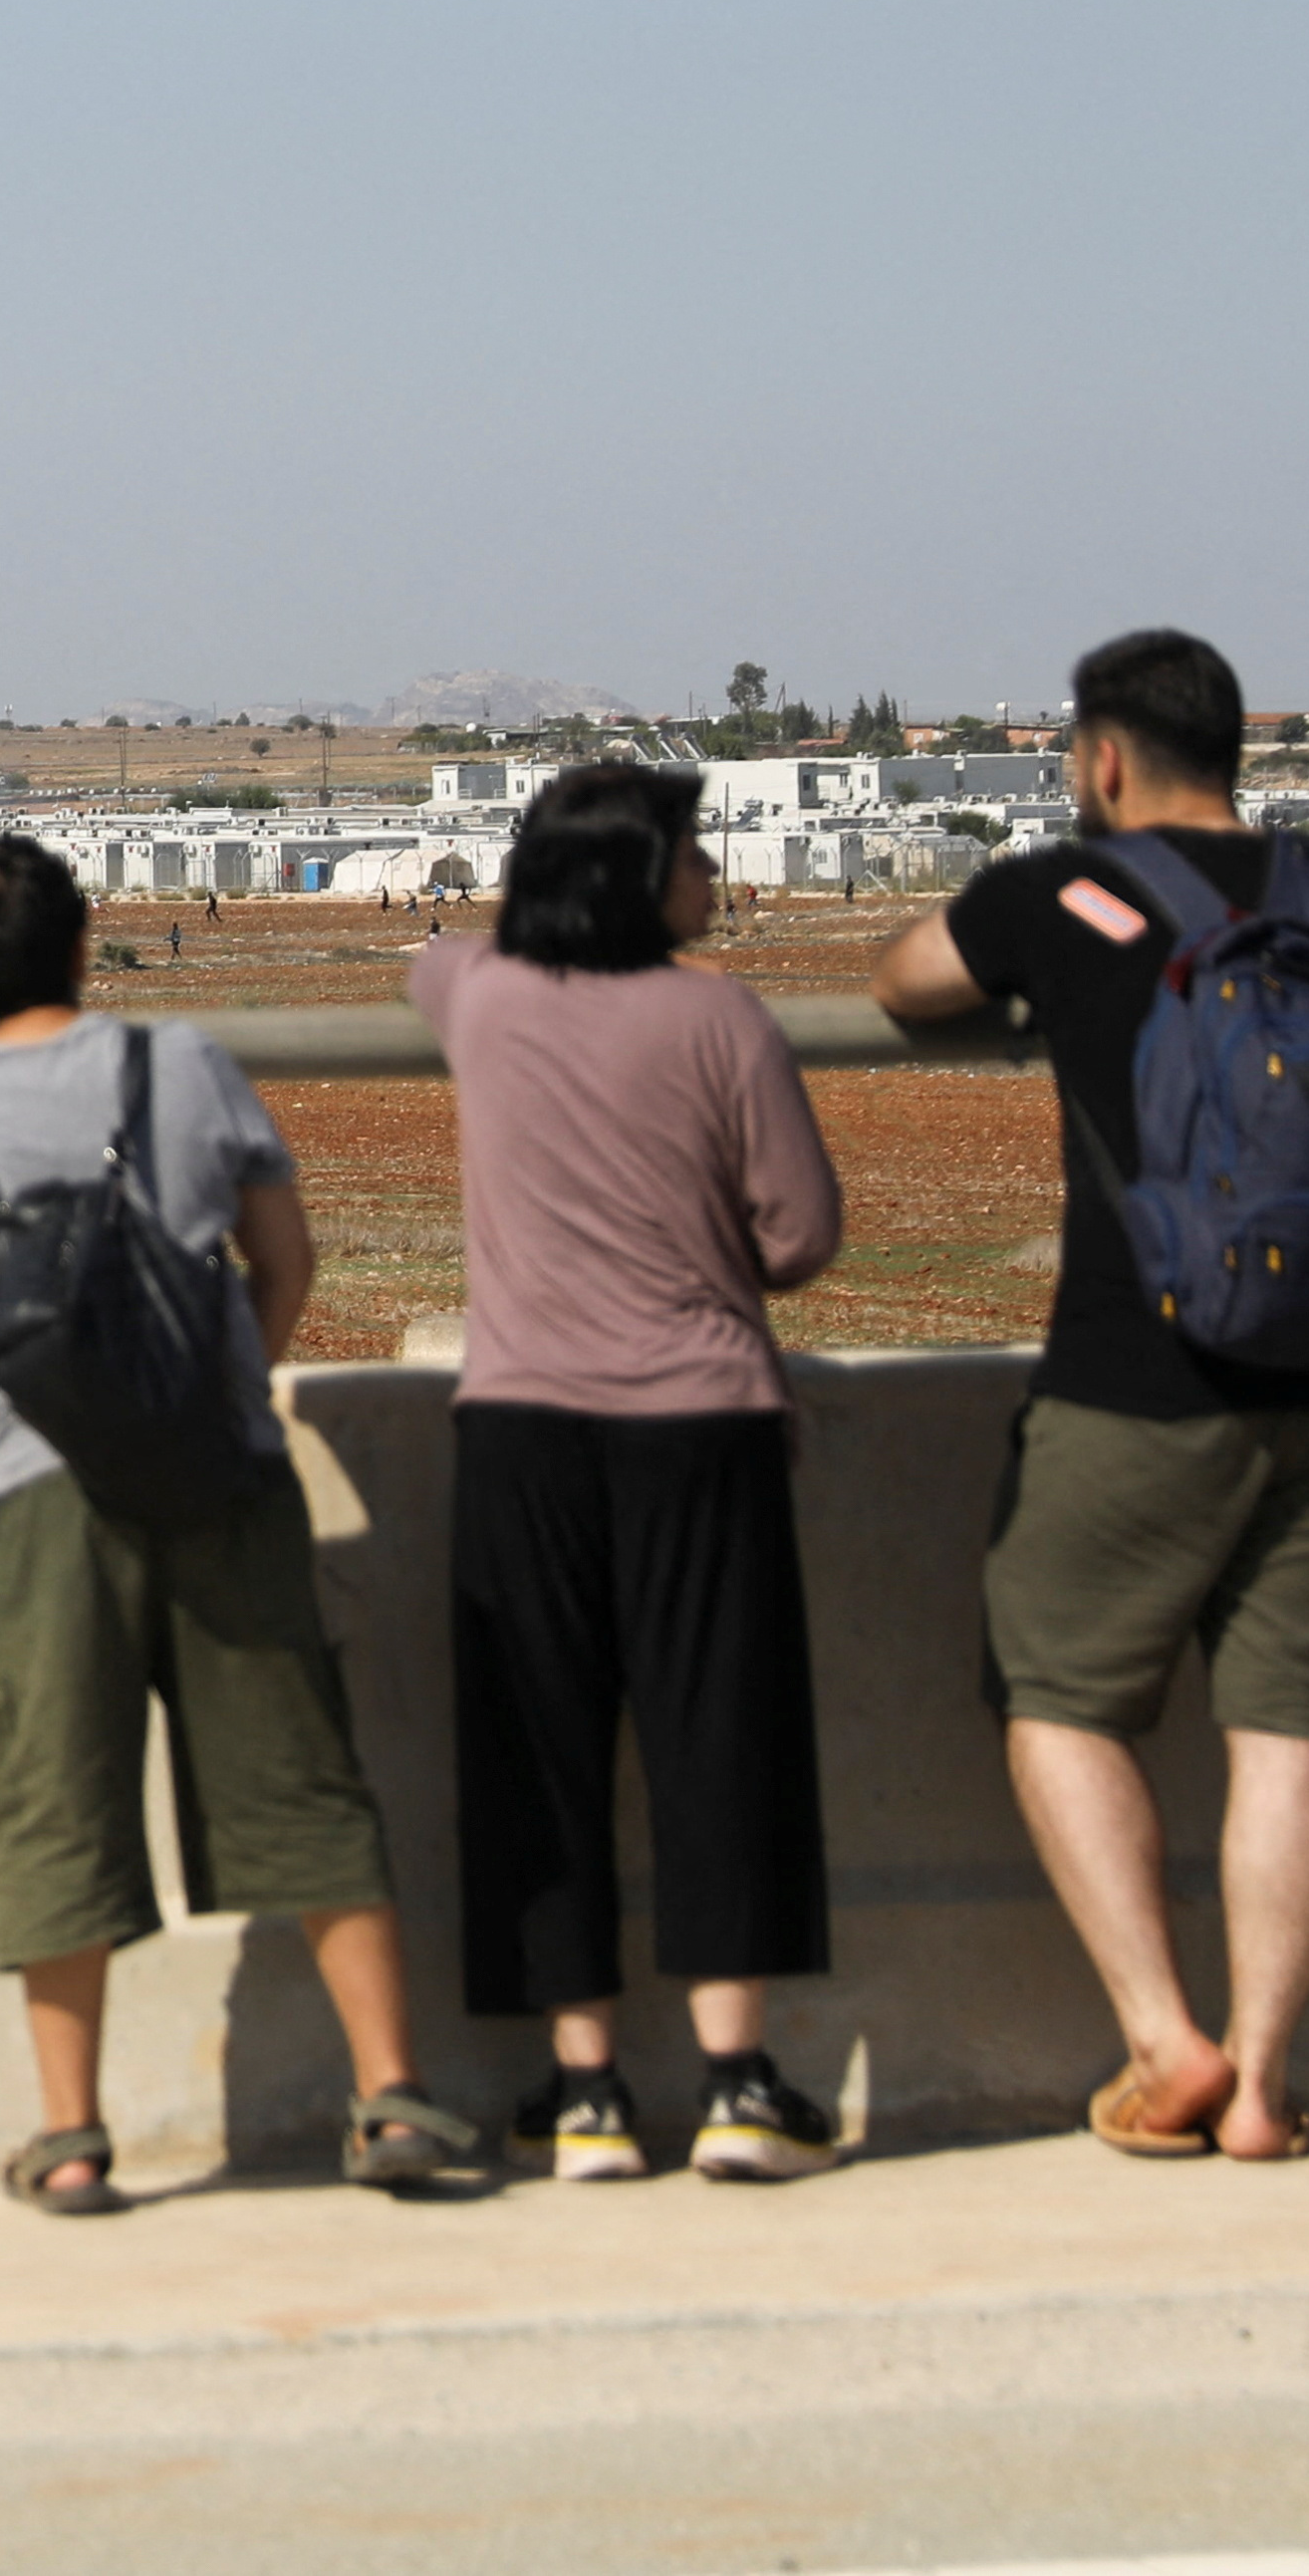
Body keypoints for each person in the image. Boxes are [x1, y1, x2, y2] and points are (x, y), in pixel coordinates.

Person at [0, 835, 482, 2205]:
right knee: (300, 1774)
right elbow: (285, 1260)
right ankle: (391, 2094)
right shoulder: (184, 1065)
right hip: (223, 1479)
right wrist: (227, 1399)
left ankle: (71, 2135)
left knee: (52, 1794)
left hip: (40, 1498)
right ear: (85, 942)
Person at [873, 630, 1309, 2163]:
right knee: (1294, 1723)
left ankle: (1165, 2039)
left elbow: (903, 979)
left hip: (1143, 1370)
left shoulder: (1055, 894)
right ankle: (1263, 2082)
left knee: (1054, 1694)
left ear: (1102, 759)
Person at [411, 768, 847, 2184]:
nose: (710, 876)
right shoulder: (723, 1018)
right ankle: (736, 2081)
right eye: (691, 854)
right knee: (719, 1736)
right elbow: (799, 1234)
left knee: (535, 1747)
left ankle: (583, 2087)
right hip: (699, 1424)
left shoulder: (478, 996)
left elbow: (435, 957)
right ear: (635, 876)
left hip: (521, 1425)